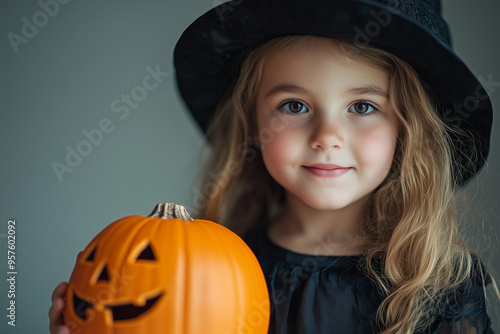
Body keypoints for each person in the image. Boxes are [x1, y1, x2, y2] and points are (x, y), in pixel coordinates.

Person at [49, 0, 498, 333]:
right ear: (252, 122)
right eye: (295, 104)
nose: (327, 135)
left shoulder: (443, 289)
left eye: (362, 106)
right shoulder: (211, 272)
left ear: (408, 128)